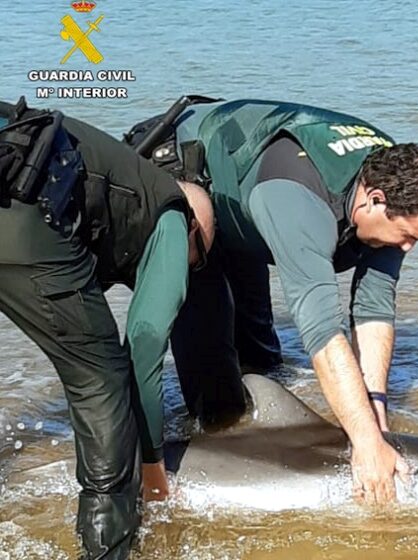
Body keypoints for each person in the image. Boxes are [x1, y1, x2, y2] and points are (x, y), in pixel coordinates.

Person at [129, 98, 418, 506]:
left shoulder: (397, 186)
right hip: (189, 186)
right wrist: (364, 443)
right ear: (374, 199)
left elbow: (374, 308)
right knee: (216, 399)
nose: (408, 248)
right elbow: (321, 330)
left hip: (246, 195)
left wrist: (375, 419)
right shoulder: (298, 203)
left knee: (262, 363)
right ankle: (167, 472)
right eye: (406, 235)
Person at [0, 98, 214, 559]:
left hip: (17, 180)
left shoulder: (118, 185)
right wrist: (153, 467)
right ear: (194, 229)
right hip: (24, 203)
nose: (188, 274)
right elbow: (144, 340)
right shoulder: (173, 213)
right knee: (100, 379)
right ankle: (108, 549)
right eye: (199, 260)